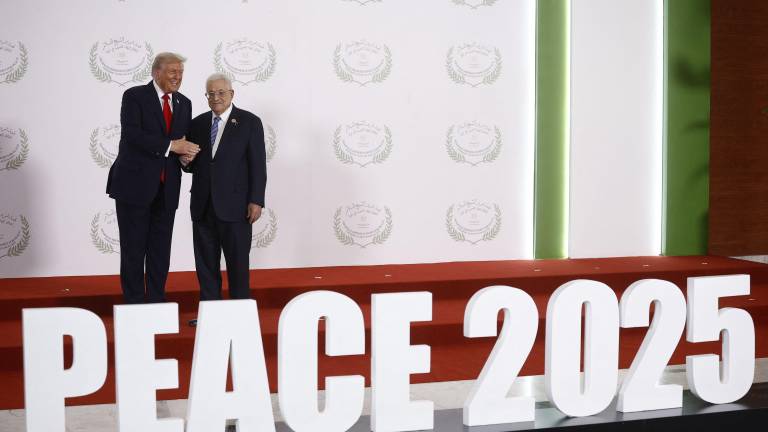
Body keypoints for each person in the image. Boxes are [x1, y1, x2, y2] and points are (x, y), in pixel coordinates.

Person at [106, 52, 200, 304]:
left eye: (180, 73)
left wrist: (185, 157)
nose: (177, 77)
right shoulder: (135, 97)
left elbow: (180, 145)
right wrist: (173, 146)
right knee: (133, 249)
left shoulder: (185, 103)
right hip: (133, 187)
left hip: (167, 188)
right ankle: (134, 305)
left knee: (160, 251)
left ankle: (157, 302)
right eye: (172, 72)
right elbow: (133, 135)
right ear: (156, 72)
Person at [182, 73, 267, 324]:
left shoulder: (250, 122)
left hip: (237, 207)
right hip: (203, 205)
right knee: (206, 265)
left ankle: (240, 315)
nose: (216, 97)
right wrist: (185, 162)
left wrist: (256, 200)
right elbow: (192, 165)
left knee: (238, 264)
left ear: (232, 94)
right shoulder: (196, 124)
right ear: (206, 96)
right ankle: (210, 314)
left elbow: (258, 165)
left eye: (221, 92)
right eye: (211, 93)